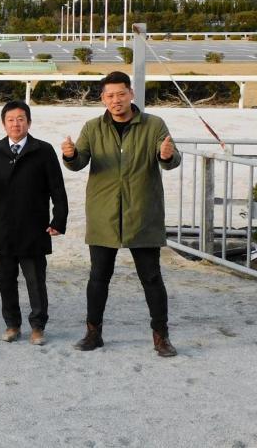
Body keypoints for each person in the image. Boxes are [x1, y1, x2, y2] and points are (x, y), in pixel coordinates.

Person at [62, 71, 180, 357]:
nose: (116, 100)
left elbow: (171, 160)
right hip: (103, 214)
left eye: (121, 94)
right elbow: (79, 163)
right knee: (98, 277)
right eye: (110, 95)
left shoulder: (154, 125)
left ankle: (161, 336)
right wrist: (69, 155)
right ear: (103, 98)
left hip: (143, 214)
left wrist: (166, 155)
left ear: (131, 94)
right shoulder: (92, 128)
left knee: (151, 277)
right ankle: (93, 333)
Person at [0, 100, 68, 346]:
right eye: (11, 119)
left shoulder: (43, 150)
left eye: (21, 119)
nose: (16, 123)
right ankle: (12, 325)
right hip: (2, 227)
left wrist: (59, 220)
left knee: (36, 281)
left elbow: (58, 189)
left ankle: (38, 327)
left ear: (29, 122)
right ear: (4, 124)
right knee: (6, 280)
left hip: (34, 227)